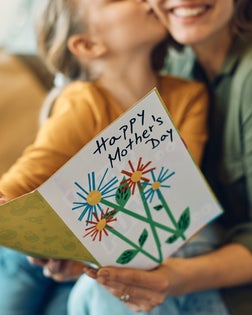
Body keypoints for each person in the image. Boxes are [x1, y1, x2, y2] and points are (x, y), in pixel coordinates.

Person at [0, 0, 210, 315]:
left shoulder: (189, 97)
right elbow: (19, 185)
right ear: (88, 44)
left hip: (99, 258)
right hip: (34, 255)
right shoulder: (82, 102)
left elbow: (180, 196)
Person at [65, 0, 252, 314]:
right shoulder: (173, 65)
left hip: (230, 284)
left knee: (100, 294)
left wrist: (171, 279)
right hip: (185, 247)